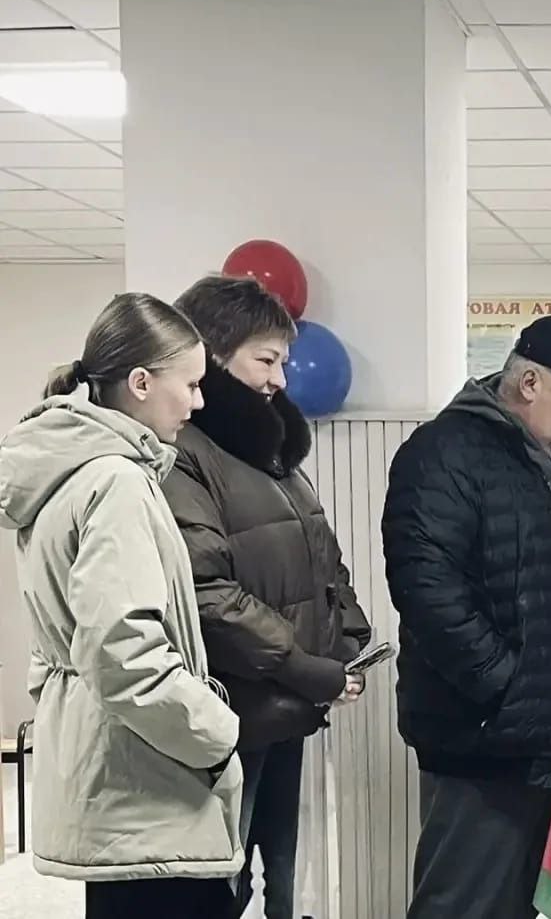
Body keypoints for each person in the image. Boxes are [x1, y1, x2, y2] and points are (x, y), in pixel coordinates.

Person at [0, 293, 242, 918]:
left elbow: (71, 649)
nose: (198, 402)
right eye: (190, 384)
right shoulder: (116, 483)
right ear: (140, 383)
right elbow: (122, 656)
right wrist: (216, 734)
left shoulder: (71, 473)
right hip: (146, 788)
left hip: (114, 778)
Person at [383, 314, 551, 919]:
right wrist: (512, 690)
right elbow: (428, 594)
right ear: (529, 383)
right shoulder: (444, 453)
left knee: (523, 905)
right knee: (464, 907)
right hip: (484, 742)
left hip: (548, 740)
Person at [161, 275, 371, 919]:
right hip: (234, 711)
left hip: (286, 702)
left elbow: (321, 556)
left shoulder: (269, 450)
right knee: (223, 882)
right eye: (267, 360)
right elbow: (208, 592)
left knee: (280, 875)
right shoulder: (185, 454)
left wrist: (347, 639)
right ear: (213, 357)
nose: (281, 379)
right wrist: (303, 665)